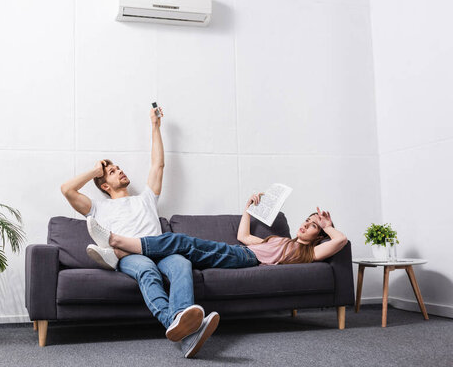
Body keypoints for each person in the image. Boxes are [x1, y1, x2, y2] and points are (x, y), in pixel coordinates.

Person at [60, 107, 218, 359]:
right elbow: (67, 189)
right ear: (104, 184)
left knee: (181, 263)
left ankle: (181, 325)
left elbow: (158, 164)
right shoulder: (98, 206)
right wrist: (95, 170)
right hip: (130, 254)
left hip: (161, 249)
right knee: (146, 269)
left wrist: (155, 126)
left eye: (119, 168)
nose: (120, 171)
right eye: (112, 172)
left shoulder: (146, 198)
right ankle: (177, 323)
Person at [85, 192, 348, 274]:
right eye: (307, 220)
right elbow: (245, 237)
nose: (305, 225)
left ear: (318, 235)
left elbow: (341, 240)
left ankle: (114, 239)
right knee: (178, 247)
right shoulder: (281, 240)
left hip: (246, 259)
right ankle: (117, 253)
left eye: (312, 226)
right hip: (241, 250)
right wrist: (248, 208)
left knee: (181, 241)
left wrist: (326, 225)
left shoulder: (309, 252)